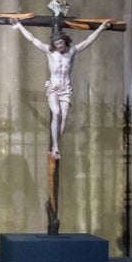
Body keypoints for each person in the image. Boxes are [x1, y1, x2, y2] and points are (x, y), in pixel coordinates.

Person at [11, 16, 111, 159]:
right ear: (54, 44)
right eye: (57, 43)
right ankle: (55, 146)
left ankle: (57, 145)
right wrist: (19, 25)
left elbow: (89, 40)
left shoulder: (72, 51)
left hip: (66, 88)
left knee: (64, 116)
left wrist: (101, 27)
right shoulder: (49, 51)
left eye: (61, 42)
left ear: (65, 41)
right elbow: (32, 39)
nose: (59, 45)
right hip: (54, 87)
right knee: (56, 113)